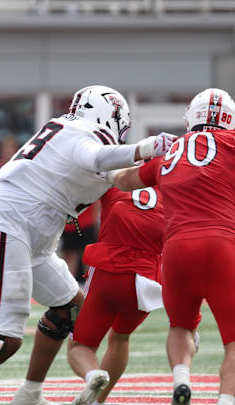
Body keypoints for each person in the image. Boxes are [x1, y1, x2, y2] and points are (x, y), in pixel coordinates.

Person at [0, 85, 177, 405]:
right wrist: (146, 147)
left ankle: (30, 393)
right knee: (2, 342)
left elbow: (123, 177)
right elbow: (98, 156)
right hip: (4, 225)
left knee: (70, 308)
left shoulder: (74, 136)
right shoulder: (79, 132)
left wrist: (175, 166)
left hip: (32, 235)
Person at [107, 88, 235, 405]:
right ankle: (227, 400)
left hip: (176, 251)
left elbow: (123, 180)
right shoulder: (231, 143)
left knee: (180, 326)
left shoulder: (173, 151)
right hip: (222, 245)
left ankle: (181, 379)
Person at [67, 186, 164, 405]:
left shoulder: (116, 175)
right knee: (120, 337)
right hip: (149, 279)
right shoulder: (171, 180)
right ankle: (98, 401)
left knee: (80, 346)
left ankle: (93, 374)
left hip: (110, 271)